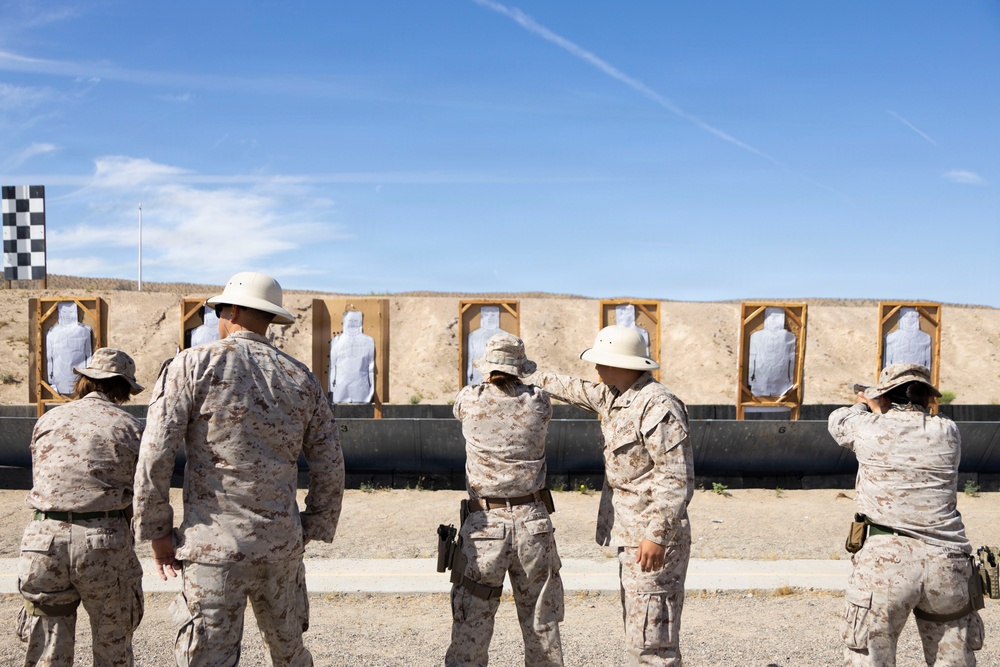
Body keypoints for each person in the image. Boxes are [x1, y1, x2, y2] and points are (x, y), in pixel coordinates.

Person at [133, 271, 345, 667]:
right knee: (290, 656)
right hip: (280, 547)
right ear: (270, 319)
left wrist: (156, 531)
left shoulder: (192, 365)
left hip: (213, 549)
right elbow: (330, 463)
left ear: (230, 310)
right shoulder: (301, 378)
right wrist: (310, 528)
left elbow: (156, 453)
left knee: (206, 659)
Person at [530, 325, 694, 667]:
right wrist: (527, 373)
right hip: (631, 534)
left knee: (653, 645)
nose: (596, 368)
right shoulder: (615, 395)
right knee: (640, 634)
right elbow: (575, 388)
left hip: (652, 539)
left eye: (602, 361)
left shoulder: (658, 405)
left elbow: (676, 478)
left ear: (623, 363)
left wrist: (657, 535)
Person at [829, 363, 984, 666]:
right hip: (948, 566)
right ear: (928, 399)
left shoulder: (867, 427)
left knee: (870, 659)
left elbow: (839, 420)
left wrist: (865, 402)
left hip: (885, 566)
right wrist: (881, 406)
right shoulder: (949, 432)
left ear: (885, 398)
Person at [17, 348, 145, 666]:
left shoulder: (48, 420)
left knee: (47, 649)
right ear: (124, 388)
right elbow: (141, 491)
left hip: (43, 543)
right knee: (112, 645)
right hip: (104, 543)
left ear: (84, 381)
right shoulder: (129, 427)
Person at [446, 332, 564, 667]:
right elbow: (532, 388)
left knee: (471, 627)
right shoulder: (539, 401)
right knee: (542, 625)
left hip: (485, 527)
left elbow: (461, 409)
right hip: (533, 524)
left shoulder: (470, 399)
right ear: (520, 368)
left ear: (488, 367)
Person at [46, 301, 93, 395]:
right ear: (60, 313)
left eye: (70, 312)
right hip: (59, 376)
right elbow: (50, 358)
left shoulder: (84, 331)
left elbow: (89, 355)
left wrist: (88, 376)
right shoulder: (52, 332)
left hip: (78, 375)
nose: (67, 315)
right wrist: (52, 381)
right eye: (64, 312)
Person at [329, 310, 376, 403]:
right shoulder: (336, 341)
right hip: (340, 393)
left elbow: (371, 369)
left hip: (362, 393)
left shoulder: (369, 341)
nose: (352, 324)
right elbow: (332, 368)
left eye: (355, 321)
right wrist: (331, 390)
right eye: (350, 321)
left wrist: (371, 391)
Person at [466, 306, 508, 386]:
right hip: (478, 372)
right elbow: (471, 354)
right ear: (482, 317)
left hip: (498, 372)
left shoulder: (504, 335)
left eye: (492, 315)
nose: (489, 318)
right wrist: (470, 370)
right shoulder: (473, 335)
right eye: (486, 315)